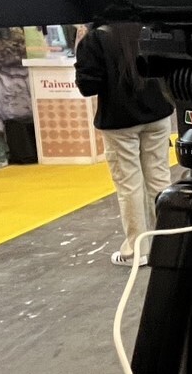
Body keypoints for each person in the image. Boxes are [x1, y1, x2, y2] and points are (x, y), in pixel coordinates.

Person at [74, 23, 174, 267]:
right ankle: (168, 244)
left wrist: (80, 44)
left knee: (129, 186)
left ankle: (136, 251)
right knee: (159, 179)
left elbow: (88, 87)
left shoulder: (96, 38)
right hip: (158, 114)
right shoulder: (147, 27)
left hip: (119, 122)